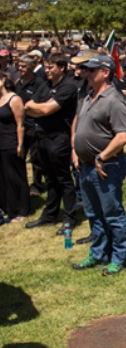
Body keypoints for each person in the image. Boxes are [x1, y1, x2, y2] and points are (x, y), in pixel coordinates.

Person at [70, 56, 126, 276]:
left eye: (91, 70)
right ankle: (98, 253)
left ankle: (118, 256)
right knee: (93, 213)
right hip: (85, 165)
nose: (86, 73)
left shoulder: (114, 100)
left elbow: (123, 136)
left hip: (106, 166)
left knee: (112, 213)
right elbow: (78, 123)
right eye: (85, 69)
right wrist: (75, 151)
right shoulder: (86, 95)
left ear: (106, 72)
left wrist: (102, 157)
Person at [24, 53, 79, 235]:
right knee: (51, 180)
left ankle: (69, 218)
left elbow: (47, 108)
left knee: (64, 180)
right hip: (42, 137)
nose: (47, 71)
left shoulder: (68, 87)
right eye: (46, 68)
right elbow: (27, 107)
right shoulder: (44, 85)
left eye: (50, 68)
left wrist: (41, 108)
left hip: (59, 139)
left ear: (61, 67)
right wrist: (42, 109)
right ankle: (50, 215)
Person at [0, 71, 28, 222]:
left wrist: (20, 144)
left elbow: (20, 124)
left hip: (11, 142)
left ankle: (19, 209)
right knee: (3, 177)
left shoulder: (14, 99)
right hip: (0, 143)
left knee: (14, 176)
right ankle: (6, 207)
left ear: (3, 80)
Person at [15, 54, 45, 197]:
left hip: (33, 126)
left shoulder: (39, 83)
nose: (20, 68)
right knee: (19, 155)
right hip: (19, 126)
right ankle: (21, 184)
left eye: (23, 66)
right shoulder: (17, 84)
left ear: (32, 67)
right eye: (19, 66)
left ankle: (36, 185)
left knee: (36, 158)